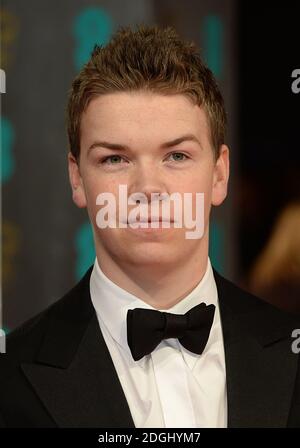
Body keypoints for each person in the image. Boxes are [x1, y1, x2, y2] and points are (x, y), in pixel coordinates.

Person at [0, 24, 300, 428]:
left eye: (176, 156)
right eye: (115, 159)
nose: (147, 190)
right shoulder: (10, 379)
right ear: (77, 179)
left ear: (219, 174)